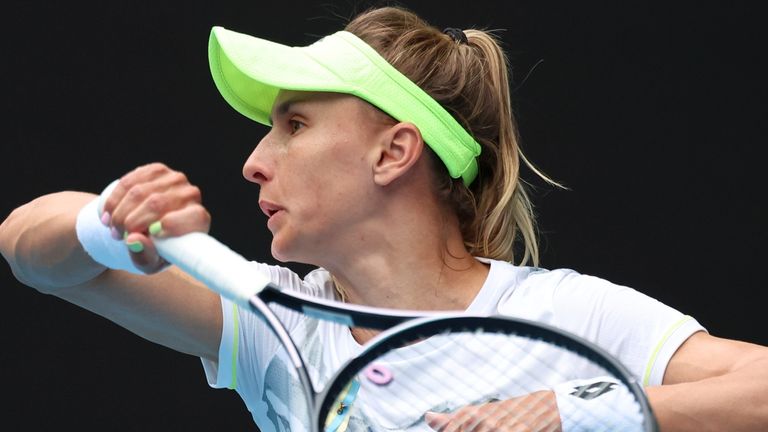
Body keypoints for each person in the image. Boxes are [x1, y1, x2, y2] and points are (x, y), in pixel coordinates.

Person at [1, 5, 766, 431]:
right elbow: (28, 249)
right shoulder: (276, 324)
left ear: (394, 152)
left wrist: (569, 414)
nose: (255, 162)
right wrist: (106, 224)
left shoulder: (564, 312)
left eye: (294, 125)